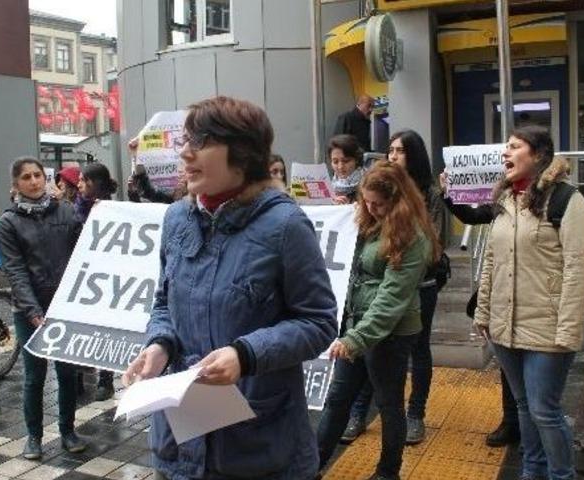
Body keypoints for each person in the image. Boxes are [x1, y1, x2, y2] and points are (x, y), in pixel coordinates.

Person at [122, 96, 337, 480]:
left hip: (260, 447)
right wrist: (159, 345)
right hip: (180, 445)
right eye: (185, 140)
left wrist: (245, 355)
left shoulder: (286, 226)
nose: (184, 153)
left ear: (241, 152)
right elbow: (163, 304)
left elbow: (318, 322)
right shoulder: (176, 218)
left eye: (199, 142)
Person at [474, 126, 584, 480]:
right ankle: (532, 471)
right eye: (504, 147)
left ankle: (561, 475)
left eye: (514, 147)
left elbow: (577, 268)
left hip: (548, 328)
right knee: (525, 407)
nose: (504, 153)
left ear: (538, 154)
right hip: (504, 326)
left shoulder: (568, 200)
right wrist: (483, 312)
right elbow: (491, 262)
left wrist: (568, 330)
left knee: (544, 410)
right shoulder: (506, 200)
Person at [317, 161, 440, 480]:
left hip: (392, 333)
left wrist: (355, 339)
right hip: (357, 325)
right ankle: (311, 467)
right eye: (366, 202)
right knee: (337, 399)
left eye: (379, 204)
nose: (371, 209)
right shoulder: (367, 219)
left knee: (389, 404)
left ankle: (388, 472)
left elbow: (392, 298)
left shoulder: (412, 235)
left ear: (397, 200)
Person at [340, 130, 447, 446]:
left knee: (416, 350)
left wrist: (402, 250)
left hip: (420, 284)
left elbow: (432, 244)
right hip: (381, 288)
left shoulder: (430, 193)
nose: (394, 156)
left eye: (401, 150)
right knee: (370, 356)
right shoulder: (376, 195)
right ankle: (359, 413)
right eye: (390, 150)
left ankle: (415, 415)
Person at [0, 157, 86, 460]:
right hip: (28, 311)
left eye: (38, 175)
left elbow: (83, 251)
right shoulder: (9, 222)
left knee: (67, 372)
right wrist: (34, 312)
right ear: (16, 184)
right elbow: (16, 271)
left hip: (64, 306)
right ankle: (33, 436)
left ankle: (68, 431)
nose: (34, 181)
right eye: (26, 177)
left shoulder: (65, 212)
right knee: (34, 376)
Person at [438, 171, 519, 448]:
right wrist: (449, 192)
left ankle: (531, 437)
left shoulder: (558, 203)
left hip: (535, 298)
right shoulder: (502, 204)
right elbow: (471, 217)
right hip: (503, 296)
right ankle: (512, 423)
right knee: (509, 367)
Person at [74, 162, 119, 401]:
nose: (79, 184)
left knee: (105, 328)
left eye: (83, 180)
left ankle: (106, 380)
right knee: (81, 328)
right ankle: (79, 376)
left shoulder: (114, 209)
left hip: (106, 276)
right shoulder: (76, 209)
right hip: (83, 275)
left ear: (95, 183)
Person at [328, 134, 365, 204]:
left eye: (346, 161)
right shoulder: (329, 187)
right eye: (335, 162)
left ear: (356, 159)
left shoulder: (368, 183)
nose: (340, 167)